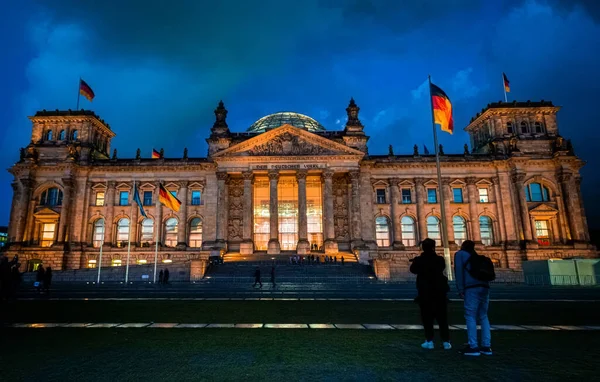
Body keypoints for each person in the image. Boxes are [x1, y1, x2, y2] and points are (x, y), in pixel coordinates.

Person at [409, 238, 451, 350]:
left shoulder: (419, 260)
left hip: (425, 293)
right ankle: (446, 342)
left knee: (427, 318)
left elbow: (413, 270)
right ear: (434, 247)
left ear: (423, 247)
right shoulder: (440, 259)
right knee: (442, 318)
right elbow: (442, 267)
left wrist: (417, 261)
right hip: (439, 292)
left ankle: (429, 341)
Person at [454, 240, 492, 356]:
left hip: (471, 288)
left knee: (470, 316)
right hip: (484, 287)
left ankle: (473, 346)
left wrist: (460, 289)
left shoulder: (460, 254)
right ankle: (486, 346)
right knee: (483, 316)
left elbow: (459, 272)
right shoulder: (477, 257)